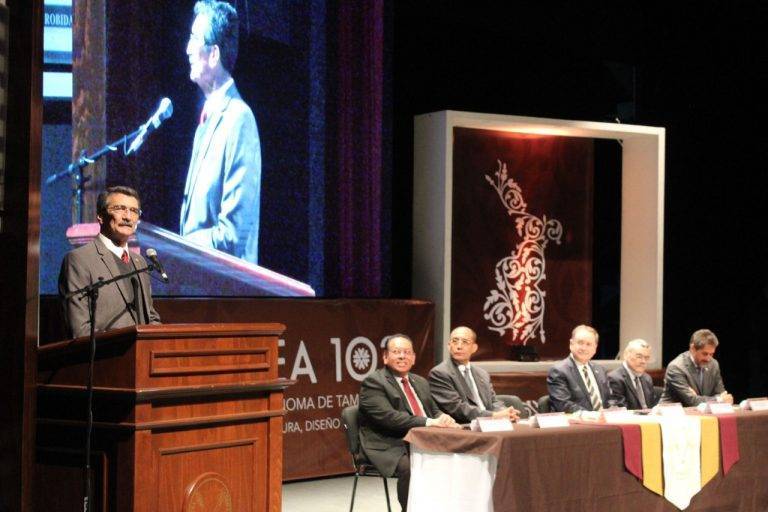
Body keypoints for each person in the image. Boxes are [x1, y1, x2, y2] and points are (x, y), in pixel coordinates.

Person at [180, 0, 261, 264]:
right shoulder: (206, 123)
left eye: (194, 39)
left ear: (213, 54)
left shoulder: (239, 120)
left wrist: (177, 245)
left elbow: (232, 236)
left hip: (227, 298)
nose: (188, 49)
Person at [359, 334, 459, 511]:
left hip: (422, 439)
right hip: (389, 443)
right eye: (396, 352)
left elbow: (433, 410)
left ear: (413, 358)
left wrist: (444, 418)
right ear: (385, 357)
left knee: (457, 457)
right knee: (410, 466)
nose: (402, 356)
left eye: (406, 352)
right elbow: (390, 418)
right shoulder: (374, 382)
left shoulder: (419, 381)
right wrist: (429, 422)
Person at [58, 186, 161, 338]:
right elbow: (80, 329)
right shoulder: (79, 260)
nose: (128, 217)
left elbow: (150, 317)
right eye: (120, 209)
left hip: (142, 358)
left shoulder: (140, 262)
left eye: (134, 211)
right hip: (106, 358)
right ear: (100, 215)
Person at [428, 326, 520, 423]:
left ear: (474, 348)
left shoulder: (482, 373)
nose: (459, 346)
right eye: (455, 341)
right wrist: (494, 415)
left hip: (490, 424)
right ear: (449, 346)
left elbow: (493, 401)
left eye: (465, 342)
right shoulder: (440, 373)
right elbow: (457, 408)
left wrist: (504, 412)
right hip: (464, 427)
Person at [547, 324, 613, 412]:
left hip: (605, 422)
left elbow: (610, 398)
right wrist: (592, 415)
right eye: (580, 343)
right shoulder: (559, 371)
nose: (584, 348)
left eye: (589, 344)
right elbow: (563, 404)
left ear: (595, 348)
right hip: (577, 423)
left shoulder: (600, 370)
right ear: (571, 344)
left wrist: (613, 410)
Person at [661, 329, 733, 406]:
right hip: (674, 414)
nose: (708, 359)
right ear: (693, 348)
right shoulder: (676, 367)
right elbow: (691, 401)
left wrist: (722, 398)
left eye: (711, 354)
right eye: (705, 354)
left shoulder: (713, 364)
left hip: (702, 414)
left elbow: (721, 394)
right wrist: (719, 399)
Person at [607, 339, 660, 409]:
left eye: (647, 358)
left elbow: (651, 406)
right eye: (639, 357)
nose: (643, 361)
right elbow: (620, 410)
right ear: (626, 355)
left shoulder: (647, 378)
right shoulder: (614, 378)